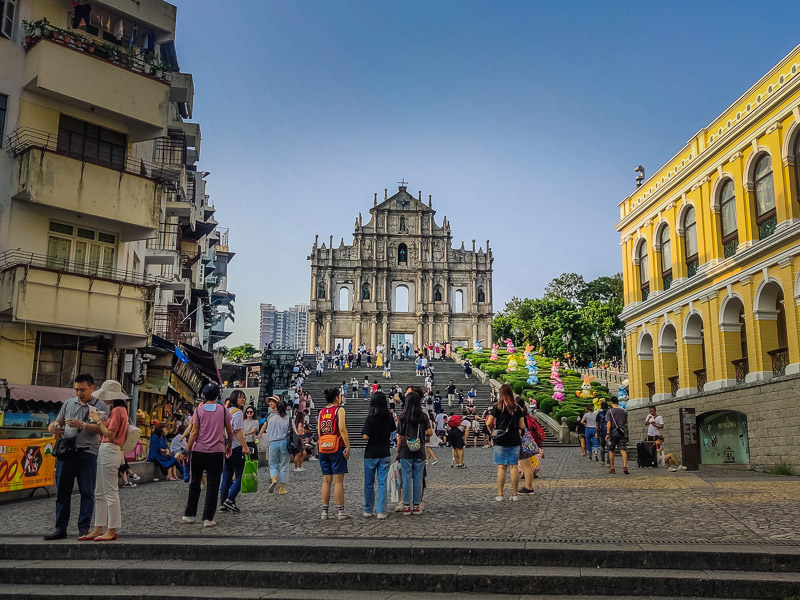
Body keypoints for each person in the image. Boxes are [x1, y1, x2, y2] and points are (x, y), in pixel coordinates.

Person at [45, 374, 109, 540]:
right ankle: (60, 528)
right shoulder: (68, 404)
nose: (79, 393)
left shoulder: (100, 406)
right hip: (66, 452)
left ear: (92, 388)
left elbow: (103, 428)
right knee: (62, 492)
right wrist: (54, 425)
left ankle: (84, 528)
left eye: (83, 389)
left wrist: (82, 425)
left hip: (87, 452)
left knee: (87, 492)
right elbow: (58, 421)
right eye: (77, 389)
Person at [81, 380, 129, 542]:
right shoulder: (119, 410)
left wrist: (97, 420)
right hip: (109, 450)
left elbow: (110, 434)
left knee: (109, 492)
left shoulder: (117, 410)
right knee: (100, 492)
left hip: (110, 449)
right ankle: (98, 527)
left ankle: (111, 529)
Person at [182, 382, 234, 528]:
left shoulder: (199, 410)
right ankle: (208, 518)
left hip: (198, 451)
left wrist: (187, 449)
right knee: (213, 484)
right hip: (217, 451)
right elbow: (229, 431)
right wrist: (229, 445)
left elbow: (194, 432)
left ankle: (189, 515)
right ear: (217, 395)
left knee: (195, 482)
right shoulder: (223, 411)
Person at [486, 383, 525, 501]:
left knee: (501, 467)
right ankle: (514, 494)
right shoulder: (517, 408)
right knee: (513, 466)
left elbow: (488, 423)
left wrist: (493, 429)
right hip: (514, 439)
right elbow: (522, 425)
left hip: (500, 440)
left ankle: (500, 494)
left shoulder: (497, 407)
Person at [361, 392, 396, 519]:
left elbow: (365, 436)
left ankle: (368, 510)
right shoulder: (389, 416)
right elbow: (393, 429)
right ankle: (381, 511)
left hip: (371, 453)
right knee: (382, 483)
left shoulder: (369, 418)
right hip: (384, 452)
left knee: (369, 483)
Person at [396, 392, 431, 515]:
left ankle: (406, 506)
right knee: (418, 479)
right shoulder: (423, 416)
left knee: (405, 478)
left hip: (406, 450)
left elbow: (399, 436)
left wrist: (398, 450)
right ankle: (416, 506)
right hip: (419, 450)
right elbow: (430, 432)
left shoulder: (403, 417)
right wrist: (422, 434)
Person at [318, 387, 351, 520]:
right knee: (338, 481)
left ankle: (324, 511)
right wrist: (348, 445)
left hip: (323, 447)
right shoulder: (339, 410)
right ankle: (340, 511)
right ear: (337, 398)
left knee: (326, 481)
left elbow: (319, 430)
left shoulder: (321, 412)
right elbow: (342, 428)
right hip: (337, 446)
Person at [219, 390, 250, 512]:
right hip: (236, 447)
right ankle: (230, 499)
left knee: (226, 476)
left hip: (226, 447)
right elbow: (237, 431)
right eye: (240, 397)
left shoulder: (226, 411)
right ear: (234, 398)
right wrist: (245, 446)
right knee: (240, 476)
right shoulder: (238, 413)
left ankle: (223, 503)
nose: (243, 400)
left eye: (244, 397)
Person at [258, 396, 291, 494]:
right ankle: (282, 488)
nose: (271, 403)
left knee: (273, 464)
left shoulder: (270, 418)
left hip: (272, 442)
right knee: (284, 465)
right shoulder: (286, 417)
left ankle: (274, 479)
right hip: (284, 442)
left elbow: (266, 427)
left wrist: (260, 435)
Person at [605, 396, 629, 475]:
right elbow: (625, 422)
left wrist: (608, 433)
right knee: (623, 449)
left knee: (611, 450)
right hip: (621, 432)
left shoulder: (610, 411)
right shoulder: (623, 411)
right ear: (618, 402)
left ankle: (612, 468)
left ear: (611, 403)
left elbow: (609, 422)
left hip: (613, 433)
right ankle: (625, 466)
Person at [596, 401, 609, 465]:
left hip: (601, 432)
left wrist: (597, 432)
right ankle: (609, 461)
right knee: (609, 447)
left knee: (602, 446)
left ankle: (602, 460)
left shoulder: (599, 414)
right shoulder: (609, 412)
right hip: (608, 432)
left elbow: (597, 424)